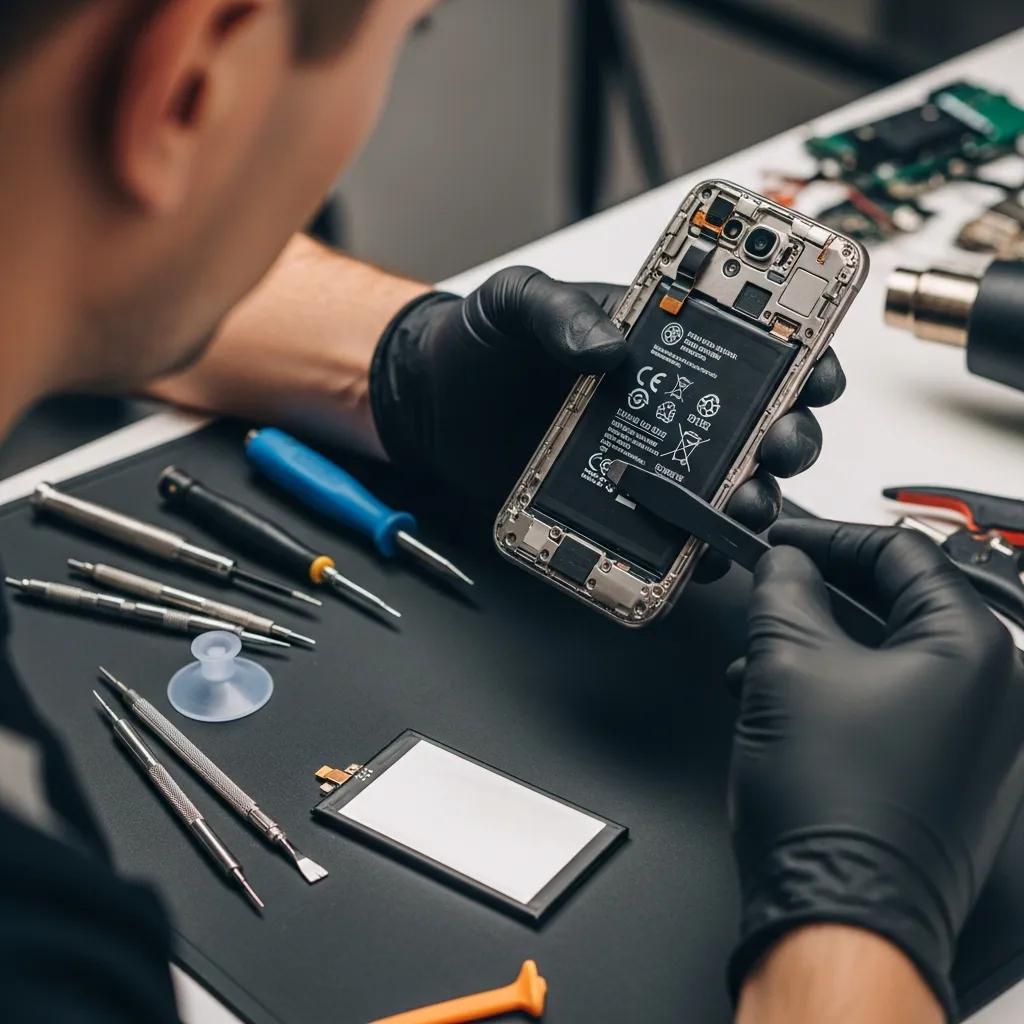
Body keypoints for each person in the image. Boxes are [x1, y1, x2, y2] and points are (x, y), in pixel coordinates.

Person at [0, 3, 1020, 1022]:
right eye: (415, 34)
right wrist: (855, 923)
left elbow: (76, 236)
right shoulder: (50, 959)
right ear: (189, 81)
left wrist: (395, 369)